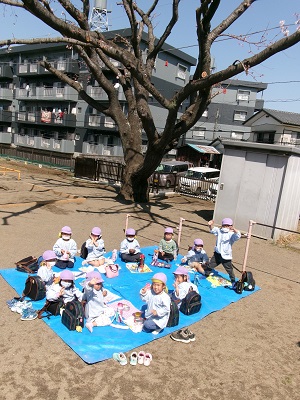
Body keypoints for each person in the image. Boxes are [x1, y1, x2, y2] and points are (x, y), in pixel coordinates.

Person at [208, 218, 241, 285]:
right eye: (224, 225)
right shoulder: (219, 231)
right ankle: (206, 273)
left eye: (228, 226)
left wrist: (234, 229)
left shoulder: (231, 234)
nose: (226, 227)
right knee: (210, 265)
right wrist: (210, 225)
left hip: (226, 256)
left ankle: (233, 280)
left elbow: (238, 236)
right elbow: (212, 230)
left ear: (231, 226)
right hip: (217, 254)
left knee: (229, 270)